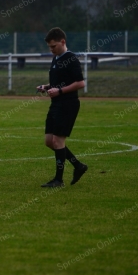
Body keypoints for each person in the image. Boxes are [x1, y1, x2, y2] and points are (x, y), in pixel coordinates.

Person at [36, 27, 88, 188]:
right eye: (49, 47)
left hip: (68, 104)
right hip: (56, 104)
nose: (51, 50)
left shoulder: (71, 58)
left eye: (53, 46)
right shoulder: (56, 59)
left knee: (58, 141)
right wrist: (47, 86)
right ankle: (78, 166)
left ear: (62, 42)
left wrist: (59, 91)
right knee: (49, 142)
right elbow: (60, 82)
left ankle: (58, 180)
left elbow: (80, 83)